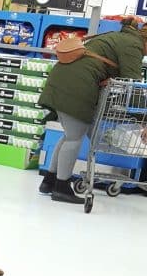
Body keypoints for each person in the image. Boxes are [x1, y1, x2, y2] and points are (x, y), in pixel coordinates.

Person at [38, 18, 147, 204]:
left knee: (69, 135)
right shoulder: (133, 45)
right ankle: (61, 187)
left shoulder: (117, 37)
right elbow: (133, 85)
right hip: (77, 85)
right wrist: (143, 119)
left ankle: (49, 181)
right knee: (74, 137)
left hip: (64, 80)